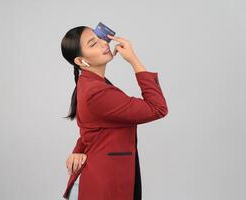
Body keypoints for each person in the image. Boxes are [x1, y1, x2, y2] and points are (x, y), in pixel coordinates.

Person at [61, 26, 168, 200]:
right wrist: (133, 60)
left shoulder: (90, 83)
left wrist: (78, 150)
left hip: (98, 182)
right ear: (81, 61)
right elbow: (157, 108)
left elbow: (92, 127)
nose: (104, 43)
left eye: (100, 38)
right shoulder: (97, 92)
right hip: (100, 186)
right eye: (93, 43)